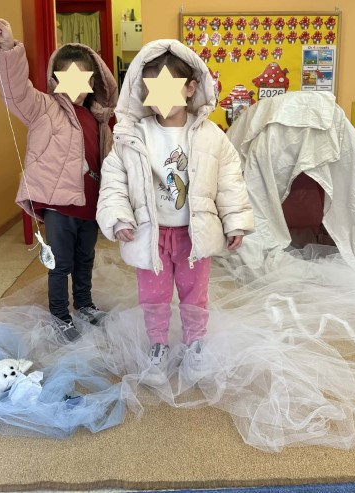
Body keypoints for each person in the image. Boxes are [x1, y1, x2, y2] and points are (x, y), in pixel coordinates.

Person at [96, 40, 255, 385]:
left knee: (194, 293)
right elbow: (114, 180)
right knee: (153, 296)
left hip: (192, 235)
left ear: (191, 88)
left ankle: (195, 343)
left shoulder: (211, 136)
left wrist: (235, 221)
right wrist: (118, 217)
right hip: (150, 233)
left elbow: (229, 179)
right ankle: (158, 345)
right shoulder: (134, 135)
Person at [0, 19, 118, 342]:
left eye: (82, 78)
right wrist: (8, 49)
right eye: (66, 78)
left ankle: (84, 304)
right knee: (60, 264)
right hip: (59, 206)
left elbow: (109, 162)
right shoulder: (43, 108)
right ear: (55, 81)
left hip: (89, 205)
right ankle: (60, 315)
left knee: (85, 259)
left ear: (93, 81)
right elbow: (15, 92)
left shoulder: (100, 121)